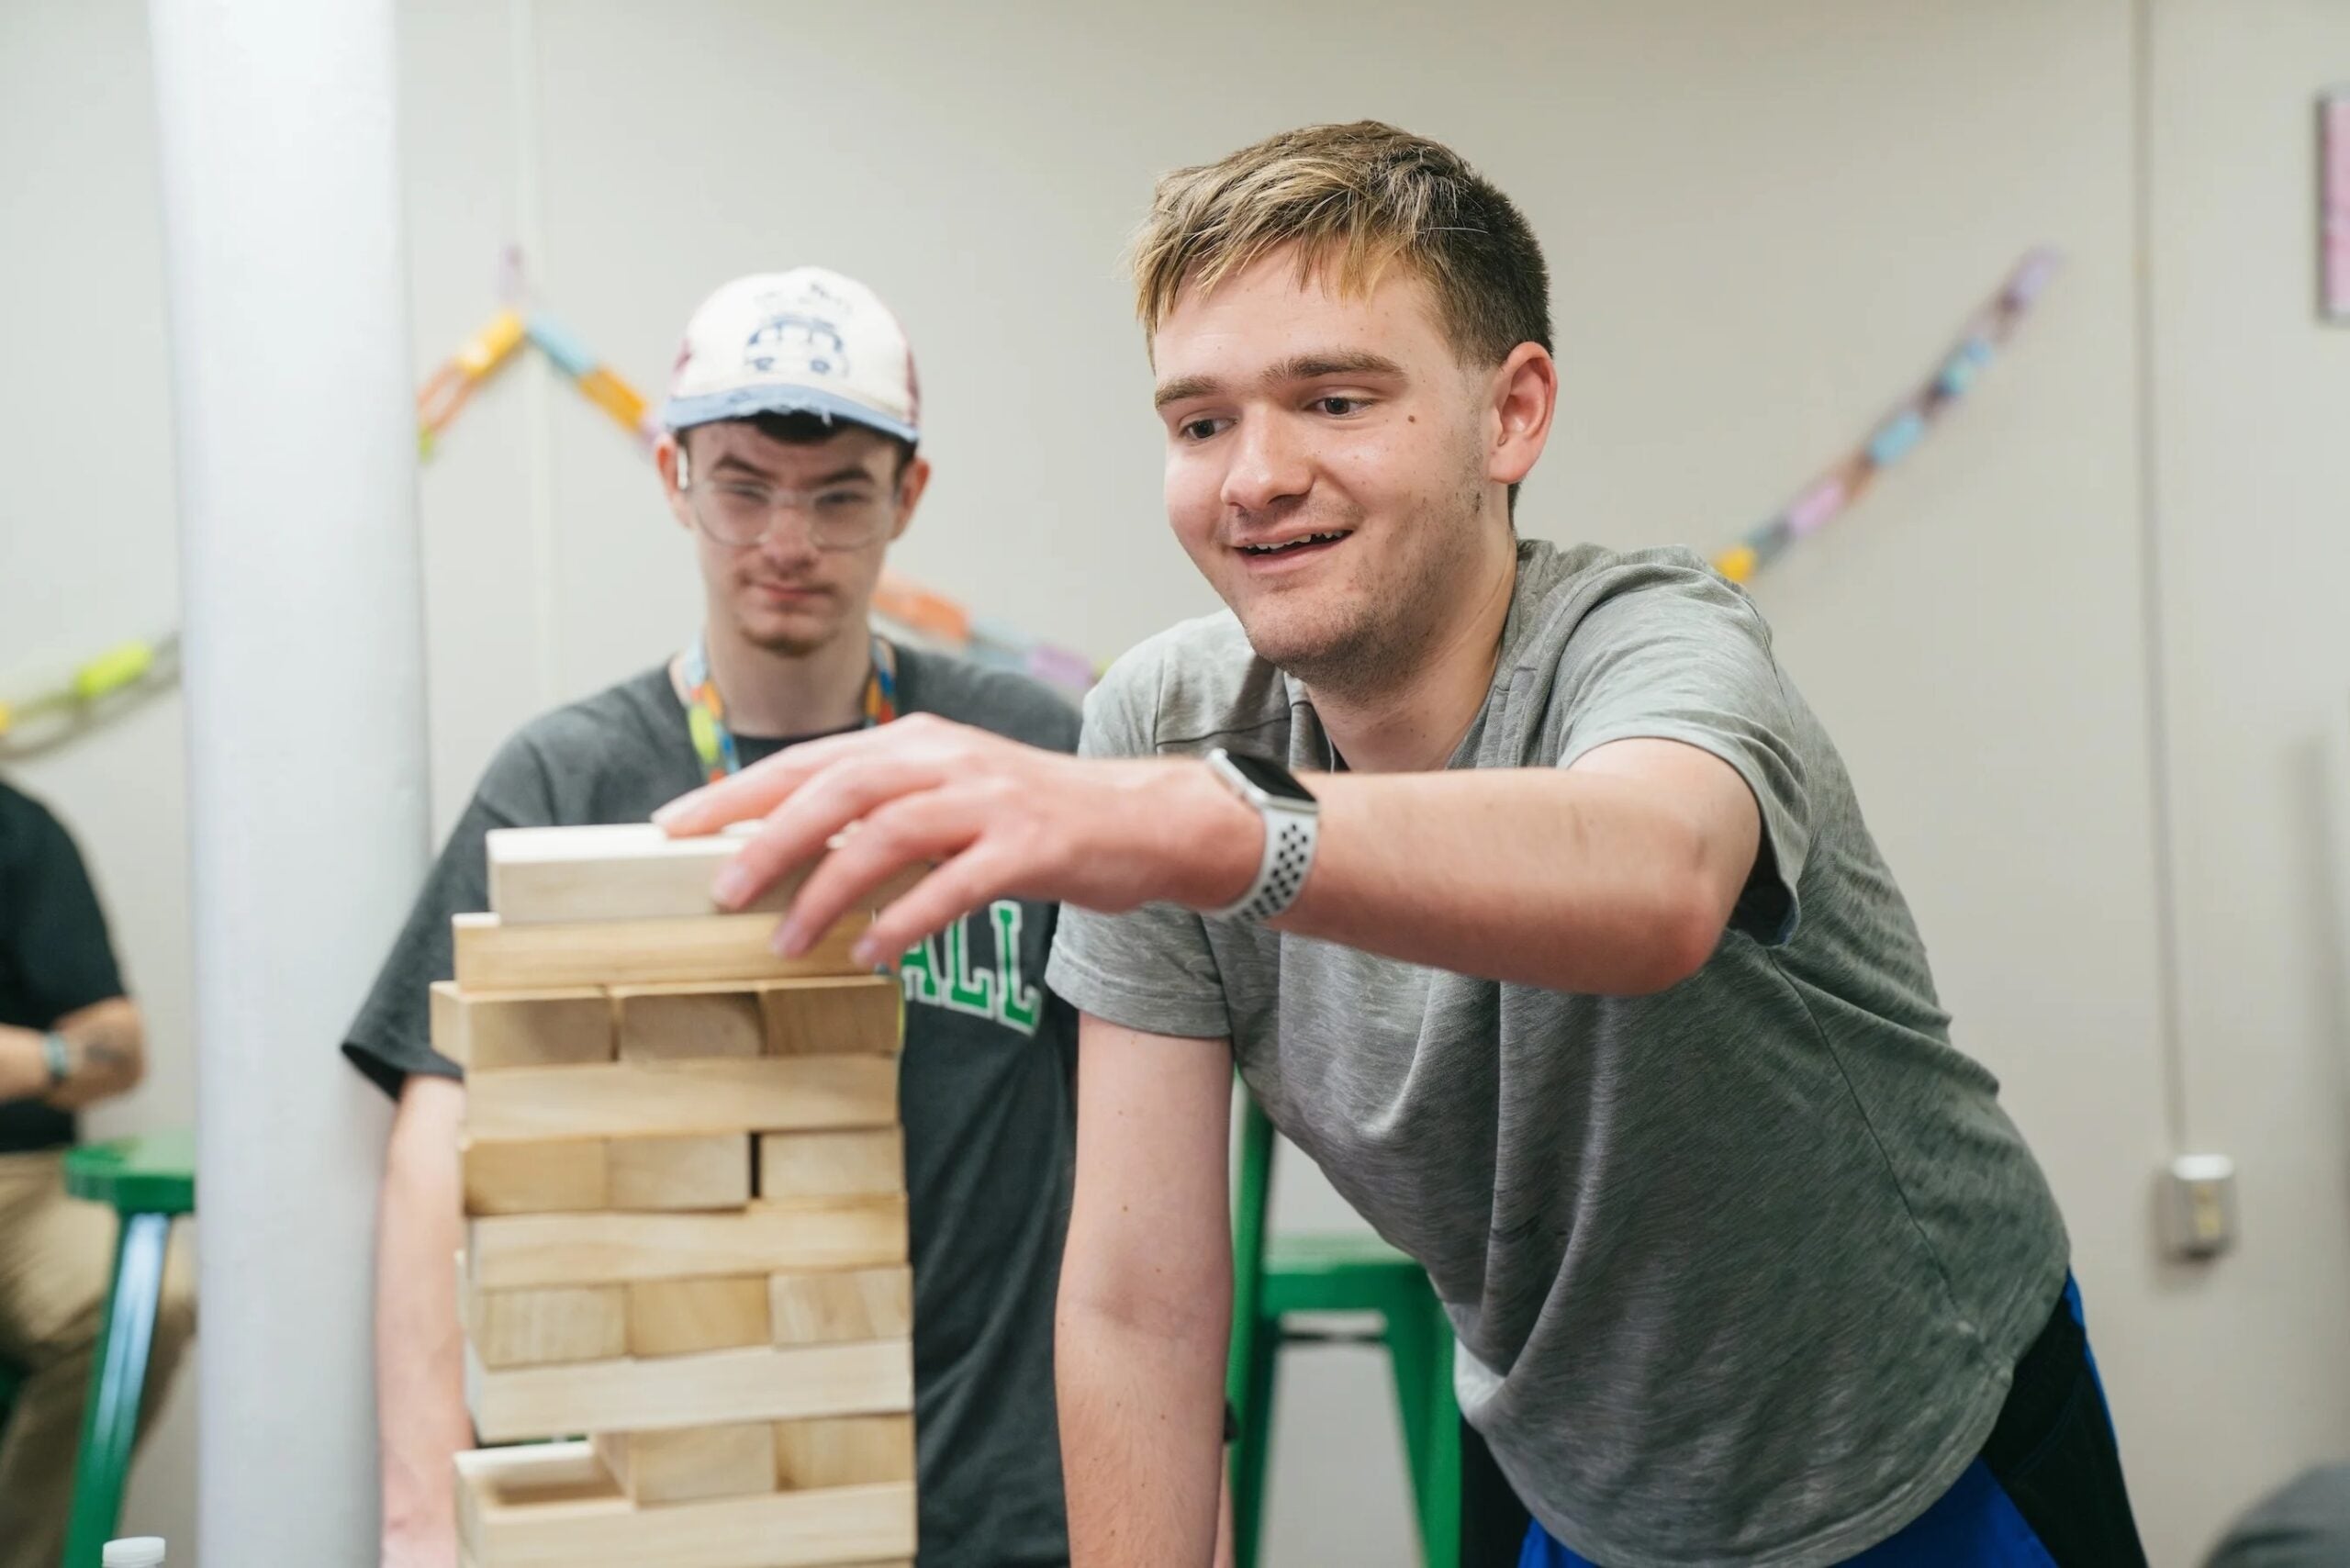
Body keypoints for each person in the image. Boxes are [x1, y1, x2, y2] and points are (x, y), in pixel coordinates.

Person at [655, 125, 2150, 1566]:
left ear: (1513, 413)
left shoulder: (1646, 638)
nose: (1254, 475)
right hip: (1571, 1464)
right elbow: (1137, 1308)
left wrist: (1200, 828)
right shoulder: (1167, 724)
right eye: (1200, 421)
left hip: (1920, 1449)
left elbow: (1657, 880)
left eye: (1337, 399)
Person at [346, 267, 1078, 1568]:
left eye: (839, 494)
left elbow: (1157, 1119)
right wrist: (418, 1518)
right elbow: (436, 1139)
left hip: (997, 1501)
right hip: (680, 1505)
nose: (786, 541)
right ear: (672, 474)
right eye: (742, 485)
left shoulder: (1019, 759)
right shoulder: (567, 779)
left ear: (908, 497)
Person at [0, 779, 196, 1568]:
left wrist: (36, 1058)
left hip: (18, 1184)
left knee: (147, 1301)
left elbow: (119, 1047)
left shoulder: (19, 832)